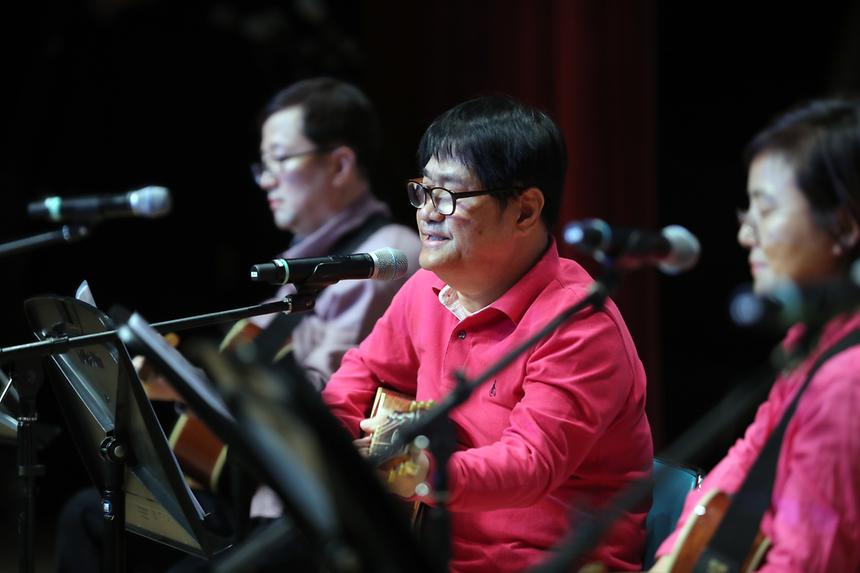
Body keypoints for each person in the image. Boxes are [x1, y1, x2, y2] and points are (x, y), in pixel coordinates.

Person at [55, 77, 421, 572]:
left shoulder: (379, 259)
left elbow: (317, 400)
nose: (266, 179)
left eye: (280, 160)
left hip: (297, 514)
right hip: (247, 493)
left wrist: (187, 384)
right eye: (261, 165)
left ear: (339, 163)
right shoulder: (303, 267)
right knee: (91, 514)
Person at [321, 95, 653, 572]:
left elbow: (529, 465)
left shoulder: (580, 325)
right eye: (423, 191)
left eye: (449, 196)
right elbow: (363, 374)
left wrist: (410, 470)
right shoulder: (426, 289)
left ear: (524, 211)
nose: (428, 212)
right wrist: (323, 443)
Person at [651, 99, 860, 572]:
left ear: (843, 228)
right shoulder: (813, 338)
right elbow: (748, 455)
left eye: (764, 212)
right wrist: (675, 559)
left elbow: (807, 560)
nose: (747, 236)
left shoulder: (847, 382)